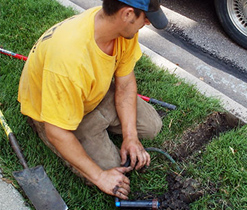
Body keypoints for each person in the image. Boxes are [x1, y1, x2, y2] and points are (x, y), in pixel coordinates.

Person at [18, 0, 168, 200]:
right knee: (112, 169)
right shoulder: (69, 60)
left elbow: (125, 85)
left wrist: (130, 136)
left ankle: (100, 121)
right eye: (146, 18)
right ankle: (48, 126)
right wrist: (99, 176)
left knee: (151, 126)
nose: (147, 23)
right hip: (56, 114)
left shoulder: (121, 31)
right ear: (128, 14)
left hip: (90, 92)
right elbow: (56, 131)